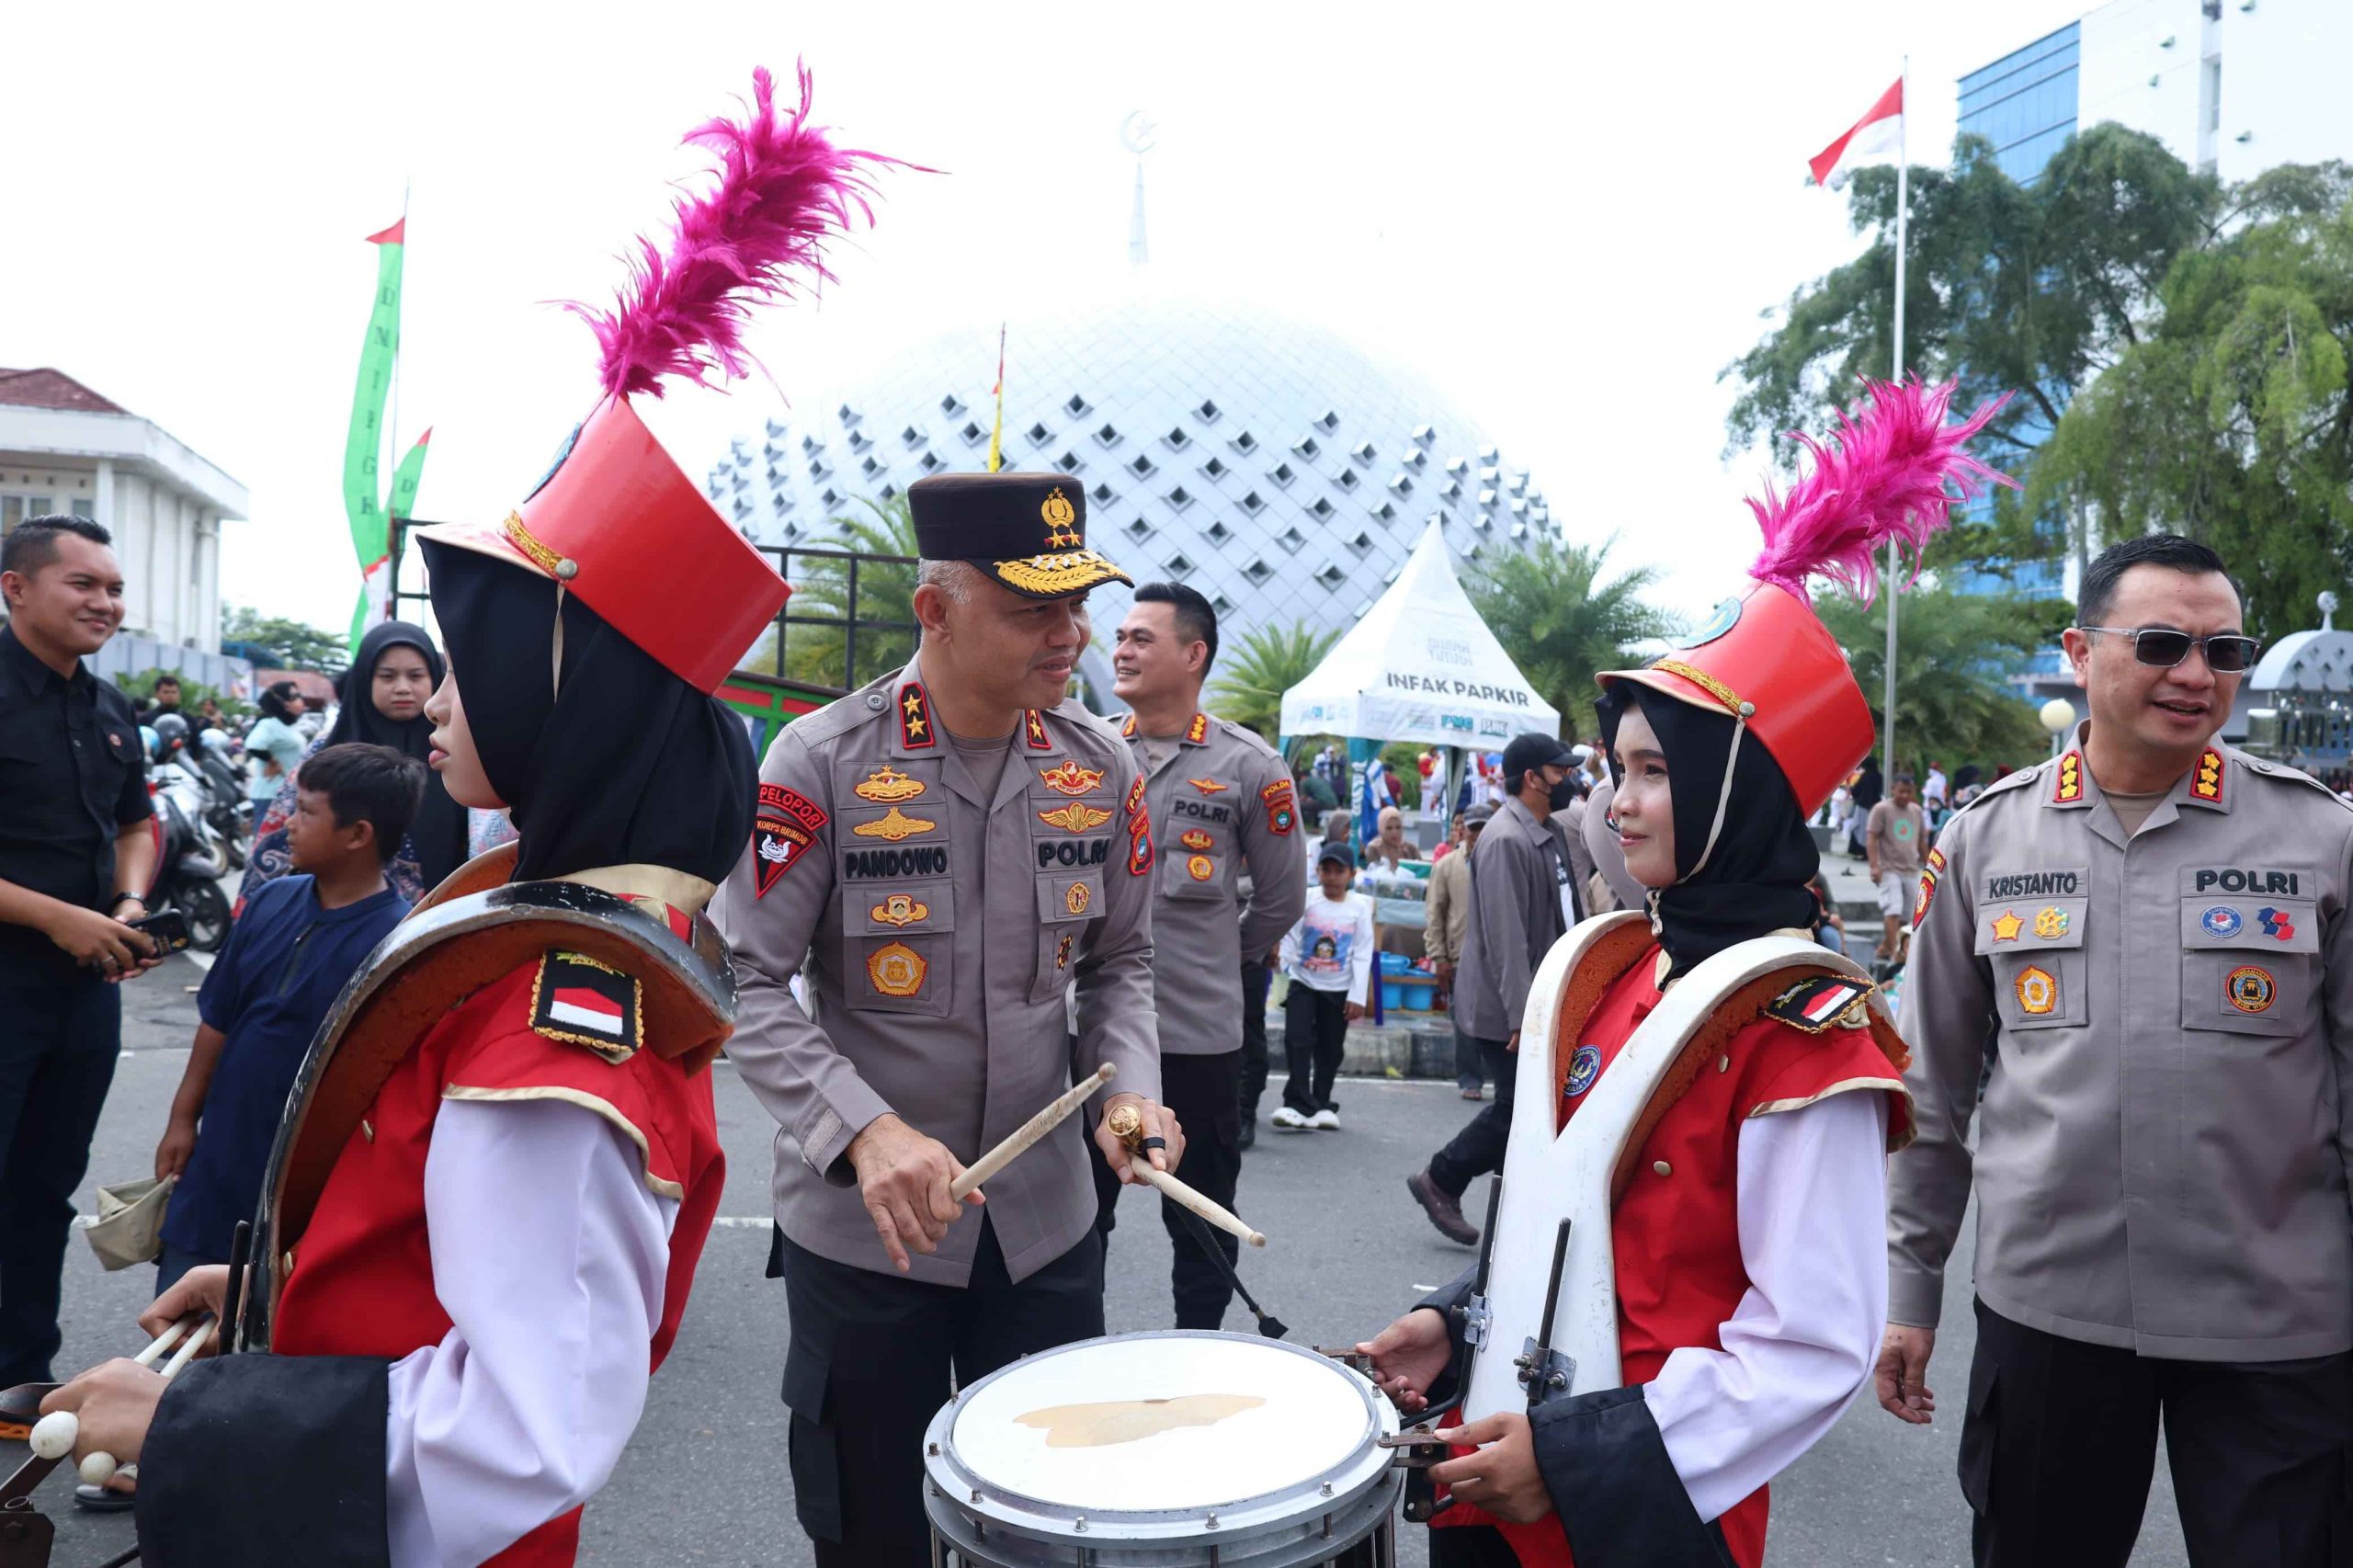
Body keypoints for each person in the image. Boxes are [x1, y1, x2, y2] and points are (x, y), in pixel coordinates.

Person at [38, 64, 879, 1563]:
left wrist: (192, 1426)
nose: (429, 704)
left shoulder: (559, 1032)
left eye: (467, 673)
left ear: (575, 712)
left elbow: (533, 1426)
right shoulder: (542, 939)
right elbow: (448, 1257)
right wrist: (276, 1295)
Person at [1359, 375, 1995, 1568]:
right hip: (1491, 1464)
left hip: (1635, 1510)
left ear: (1734, 794)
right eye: (1616, 765)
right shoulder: (1618, 967)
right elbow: (1568, 1220)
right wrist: (1454, 1321)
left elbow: (1809, 1344)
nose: (1619, 797)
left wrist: (1573, 1458)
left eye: (1655, 771)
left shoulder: (1806, 1033)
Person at [713, 469, 1180, 1564]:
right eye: (1031, 609)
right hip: (870, 1234)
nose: (1070, 635)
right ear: (935, 609)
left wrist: (1132, 1085)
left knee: (1050, 1524)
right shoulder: (822, 761)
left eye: (1075, 604)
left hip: (1045, 1228)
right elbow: (747, 978)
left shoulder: (1101, 765)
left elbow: (1123, 961)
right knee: (872, 1525)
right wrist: (864, 1130)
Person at [1883, 532, 2353, 1568]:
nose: (2195, 675)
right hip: (2053, 1308)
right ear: (2079, 649)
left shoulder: (2320, 838)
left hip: (2275, 1318)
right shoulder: (1984, 839)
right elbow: (1927, 1088)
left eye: (2223, 651)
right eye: (2159, 643)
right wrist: (1907, 1287)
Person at [1104, 581, 1304, 1326]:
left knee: (1204, 1214)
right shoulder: (1088, 750)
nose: (1120, 649)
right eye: (1120, 637)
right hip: (1092, 1035)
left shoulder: (1251, 767)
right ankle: (1066, 1359)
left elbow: (1280, 900)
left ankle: (1199, 1352)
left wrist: (1220, 961)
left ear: (1194, 655)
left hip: (1197, 1036)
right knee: (1076, 1214)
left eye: (1140, 638)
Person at [153, 744, 422, 1288]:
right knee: (180, 1322)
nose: (288, 826)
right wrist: (183, 1118)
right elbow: (218, 1018)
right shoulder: (272, 899)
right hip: (219, 1161)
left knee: (267, 1340)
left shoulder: (398, 945)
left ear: (357, 835)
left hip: (307, 1185)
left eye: (305, 812)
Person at [0, 517, 160, 1414]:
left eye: (114, 587)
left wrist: (127, 905)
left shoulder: (109, 707)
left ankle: (19, 1372)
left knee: (44, 1184)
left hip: (83, 988)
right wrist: (60, 916)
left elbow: (136, 823)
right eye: (84, 585)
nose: (106, 602)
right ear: (16, 588)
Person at [1405, 731, 1577, 1245]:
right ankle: (1442, 1177)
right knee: (1519, 1109)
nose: (1568, 778)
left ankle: (1517, 1211)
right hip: (1508, 1007)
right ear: (1532, 778)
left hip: (1536, 998)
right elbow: (1506, 939)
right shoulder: (1505, 839)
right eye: (1560, 770)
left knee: (1535, 1113)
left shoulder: (1544, 830)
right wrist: (1524, 1018)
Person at [240, 620, 475, 907]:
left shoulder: (458, 745)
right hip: (340, 917)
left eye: (415, 676)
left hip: (446, 917)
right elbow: (278, 844)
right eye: (387, 676)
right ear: (365, 680)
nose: (402, 688)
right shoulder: (328, 749)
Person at [1271, 842, 1376, 1131]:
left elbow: (1363, 952)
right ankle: (1296, 1102)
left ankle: (1321, 1102)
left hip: (1338, 989)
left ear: (1351, 874)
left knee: (1330, 1048)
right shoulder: (1307, 900)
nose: (1331, 877)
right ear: (1317, 870)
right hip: (1303, 983)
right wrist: (1283, 964)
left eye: (1338, 871)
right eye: (1326, 870)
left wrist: (1357, 996)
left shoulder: (1359, 907)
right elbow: (1291, 937)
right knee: (1297, 1040)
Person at [1425, 806, 1493, 1098]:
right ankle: (1469, 1079)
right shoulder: (1447, 866)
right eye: (1473, 828)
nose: (1477, 834)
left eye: (1483, 828)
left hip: (1495, 956)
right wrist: (1438, 957)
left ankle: (1502, 1079)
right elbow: (1434, 914)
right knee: (1462, 1019)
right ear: (1463, 830)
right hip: (1459, 955)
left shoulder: (1502, 860)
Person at [1865, 769, 1926, 971]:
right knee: (1893, 910)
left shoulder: (1916, 811)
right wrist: (1874, 865)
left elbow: (1921, 840)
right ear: (1893, 789)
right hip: (1889, 868)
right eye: (1901, 791)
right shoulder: (1881, 809)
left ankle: (1886, 946)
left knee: (1908, 916)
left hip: (1911, 869)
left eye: (1908, 792)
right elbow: (1872, 837)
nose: (1905, 796)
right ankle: (1895, 954)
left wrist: (1930, 864)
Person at [243, 680, 307, 808]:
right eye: (294, 697)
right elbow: (252, 745)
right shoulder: (269, 723)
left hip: (288, 793)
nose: (300, 700)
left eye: (300, 696)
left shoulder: (288, 725)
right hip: (271, 795)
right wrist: (273, 762)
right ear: (281, 702)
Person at [1364, 803, 1427, 871]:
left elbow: (1422, 872)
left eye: (1398, 827)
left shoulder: (1411, 849)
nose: (1394, 832)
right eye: (1389, 828)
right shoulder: (1373, 849)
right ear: (1381, 829)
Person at [1846, 756, 1883, 858]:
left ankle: (1860, 851)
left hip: (1862, 806)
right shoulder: (1879, 776)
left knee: (1859, 828)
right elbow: (1879, 791)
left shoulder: (1865, 776)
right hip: (1875, 807)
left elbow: (1856, 791)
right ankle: (1870, 853)